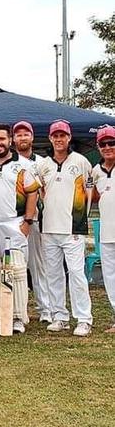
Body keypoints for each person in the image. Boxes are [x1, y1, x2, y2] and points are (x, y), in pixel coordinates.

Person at [0, 123, 39, 333]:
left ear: (10, 140)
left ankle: (18, 317)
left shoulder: (23, 165)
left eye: (2, 139)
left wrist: (28, 222)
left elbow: (32, 193)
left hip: (14, 222)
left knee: (17, 271)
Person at [38, 120, 93, 336]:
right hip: (49, 228)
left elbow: (90, 191)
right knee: (53, 274)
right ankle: (59, 316)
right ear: (50, 138)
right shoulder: (43, 165)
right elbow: (39, 191)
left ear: (69, 137)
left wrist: (82, 218)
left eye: (63, 135)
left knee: (77, 274)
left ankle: (84, 318)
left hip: (73, 229)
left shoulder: (81, 162)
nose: (59, 139)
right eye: (55, 136)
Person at [12, 120, 52, 323]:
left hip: (35, 220)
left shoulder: (43, 162)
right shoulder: (10, 162)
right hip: (13, 221)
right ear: (13, 139)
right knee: (15, 266)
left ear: (32, 137)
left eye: (25, 134)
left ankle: (45, 308)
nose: (22, 137)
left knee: (38, 265)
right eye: (18, 135)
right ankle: (17, 310)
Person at [92, 125, 115, 332]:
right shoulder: (96, 171)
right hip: (107, 233)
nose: (107, 147)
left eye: (111, 143)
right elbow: (93, 196)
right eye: (103, 144)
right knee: (110, 276)